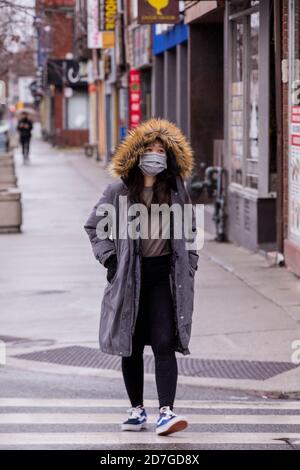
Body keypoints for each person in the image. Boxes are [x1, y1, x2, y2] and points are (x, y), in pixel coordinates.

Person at [84, 118, 199, 436]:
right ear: (137, 154)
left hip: (165, 276)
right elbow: (94, 227)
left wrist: (190, 264)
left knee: (164, 342)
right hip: (129, 276)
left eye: (161, 150)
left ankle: (167, 412)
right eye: (149, 149)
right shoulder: (118, 191)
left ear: (169, 157)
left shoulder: (176, 191)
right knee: (131, 344)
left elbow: (191, 231)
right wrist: (109, 260)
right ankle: (137, 410)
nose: (155, 155)